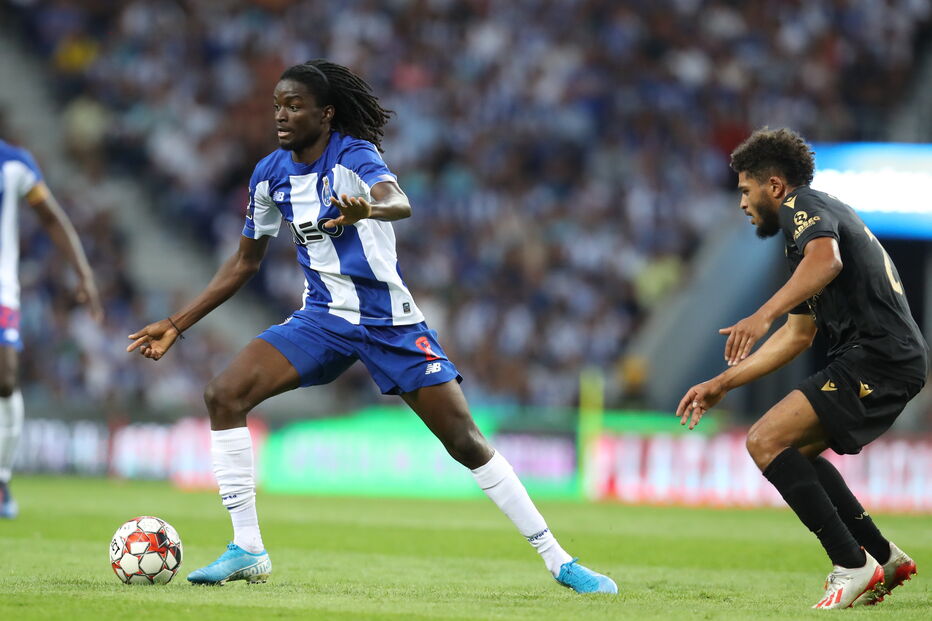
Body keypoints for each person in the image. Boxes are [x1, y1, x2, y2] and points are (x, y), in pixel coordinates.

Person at [127, 59, 616, 594]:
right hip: (323, 320)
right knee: (223, 394)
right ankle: (247, 547)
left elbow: (397, 200)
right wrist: (178, 323)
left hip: (390, 322)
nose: (282, 116)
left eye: (295, 106)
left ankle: (559, 560)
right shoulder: (269, 174)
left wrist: (367, 211)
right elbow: (244, 263)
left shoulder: (354, 155)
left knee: (464, 440)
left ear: (326, 112)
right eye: (277, 106)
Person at [676, 127, 926, 609]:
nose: (742, 203)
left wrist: (760, 313)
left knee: (764, 440)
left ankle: (851, 565)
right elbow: (797, 336)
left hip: (880, 355)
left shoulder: (802, 208)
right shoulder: (808, 236)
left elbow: (827, 261)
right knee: (795, 450)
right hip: (885, 355)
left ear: (774, 186)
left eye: (745, 190)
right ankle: (883, 556)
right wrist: (720, 383)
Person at [0, 136, 103, 518]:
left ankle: (1, 480)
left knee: (5, 378)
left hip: (2, 289)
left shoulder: (14, 163)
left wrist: (83, 272)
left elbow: (51, 217)